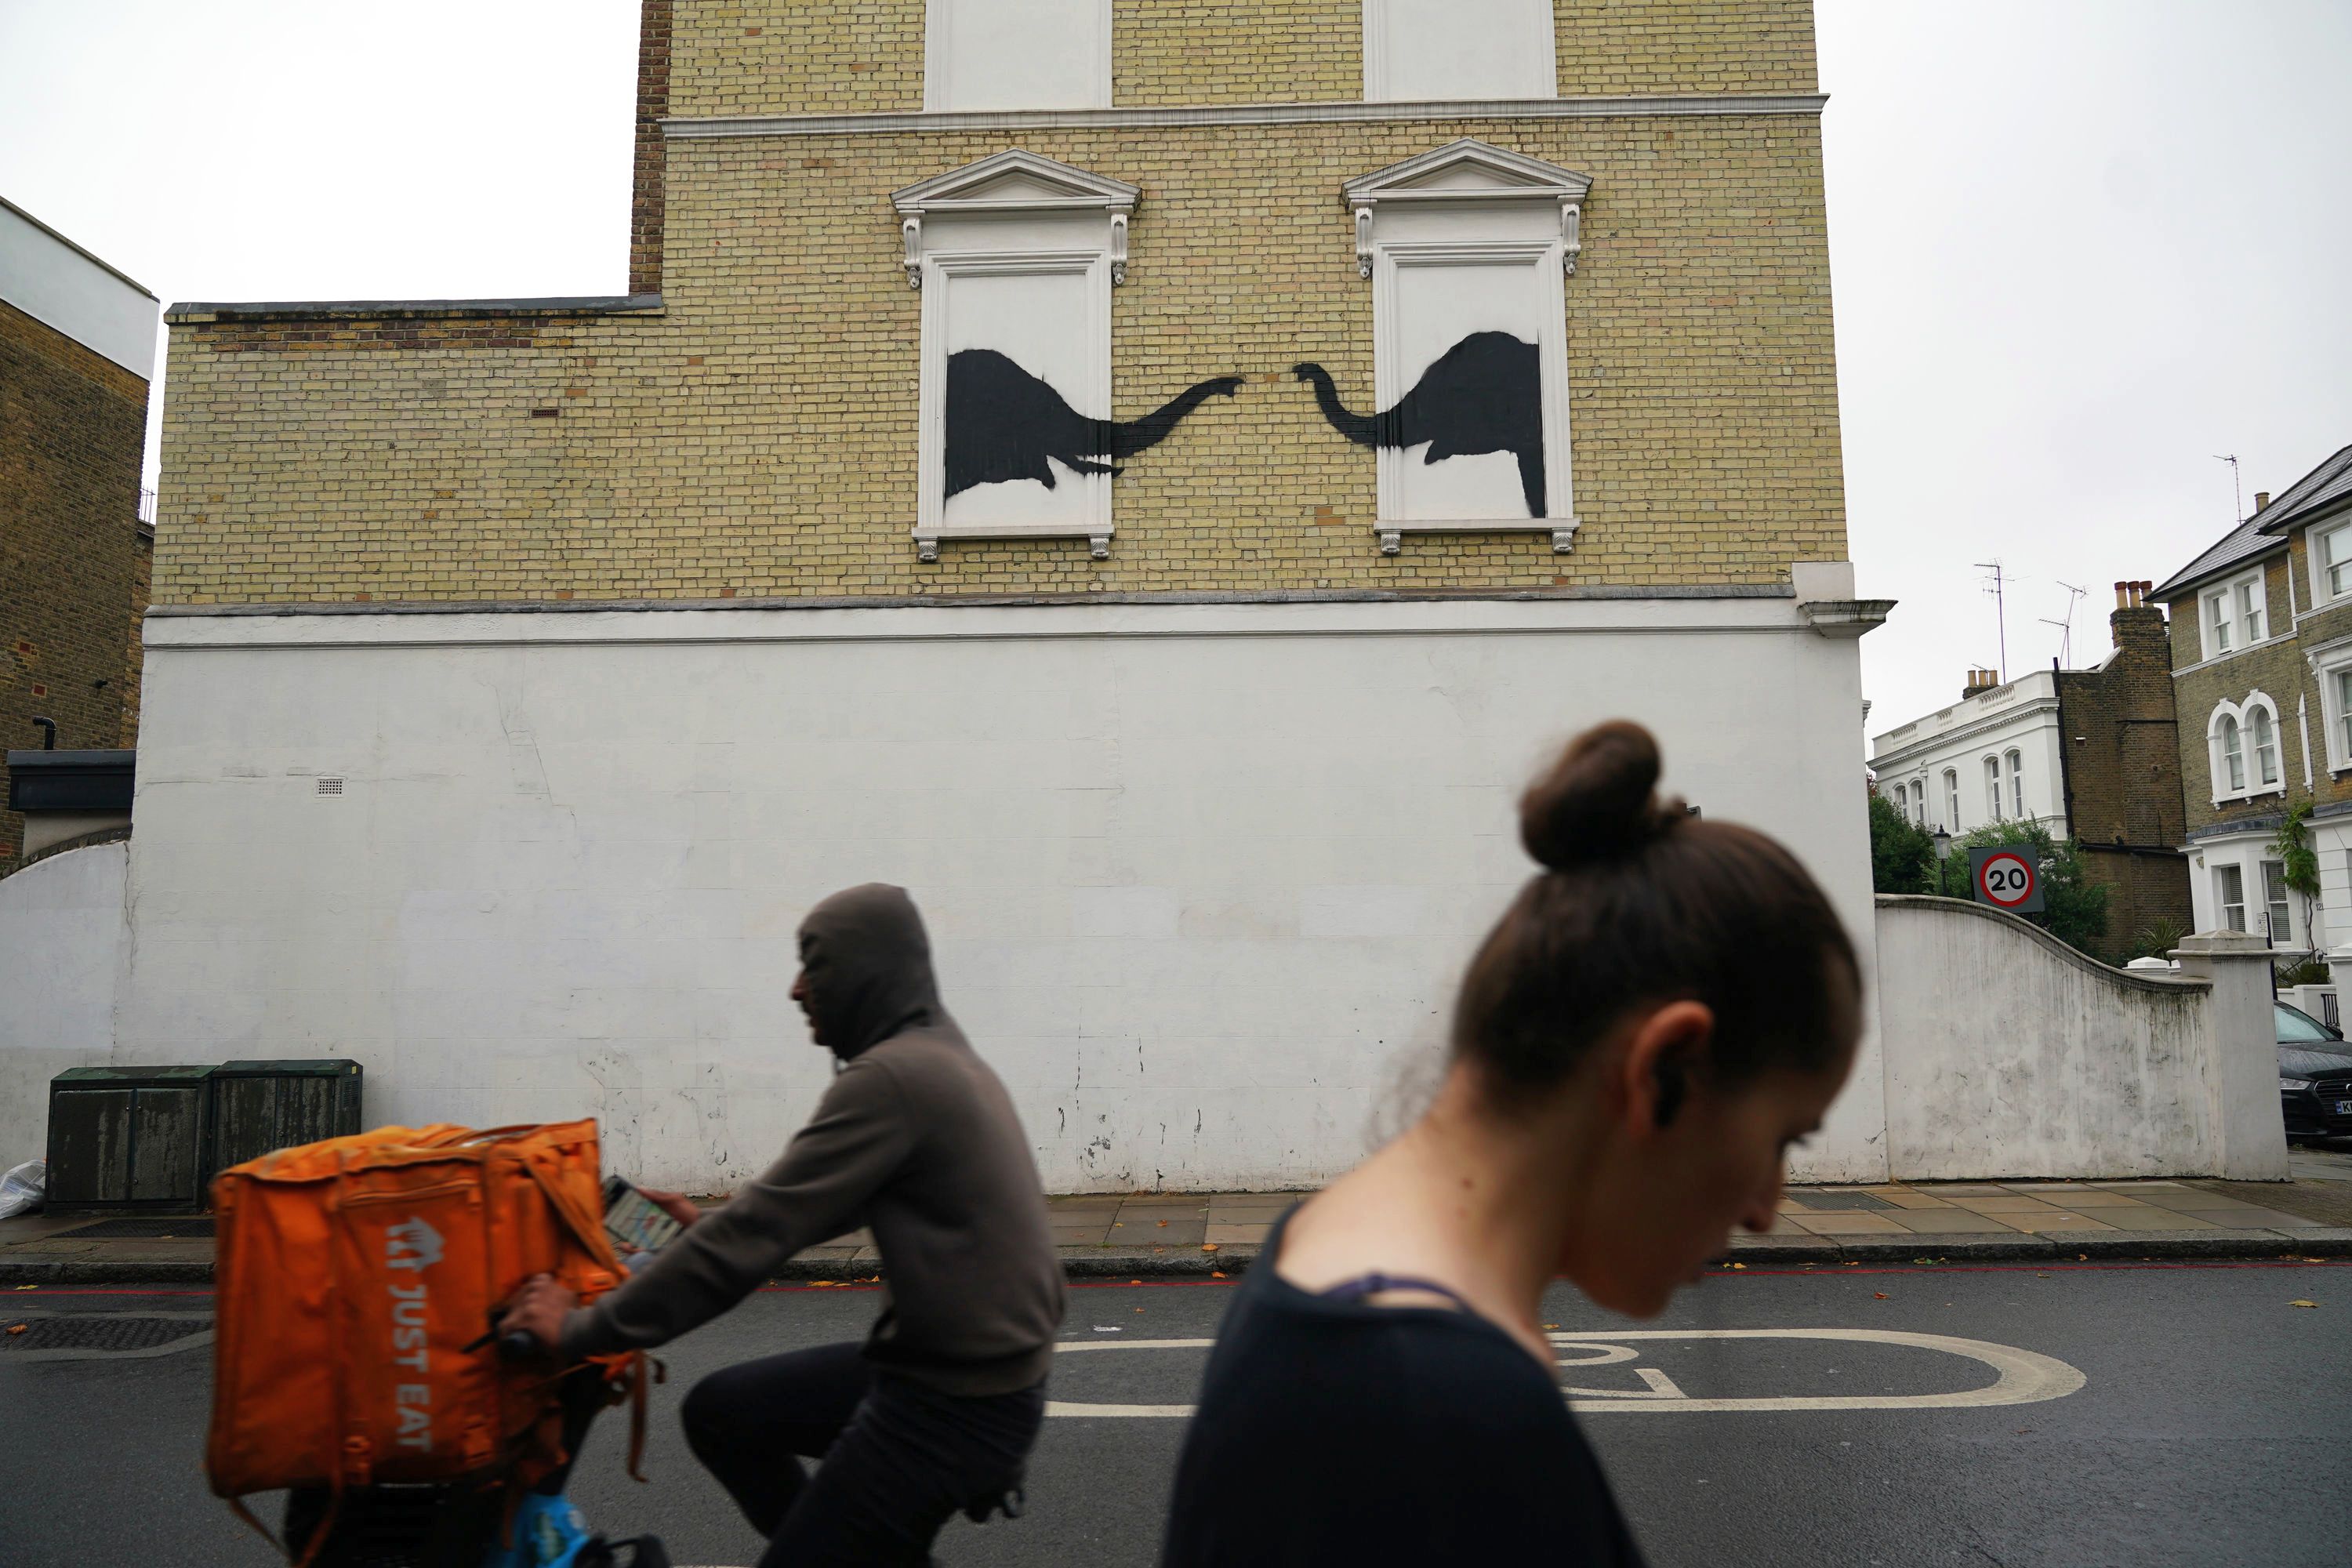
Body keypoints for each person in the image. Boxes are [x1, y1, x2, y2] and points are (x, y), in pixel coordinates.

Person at [1159, 720, 1863, 1566]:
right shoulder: (1445, 1415)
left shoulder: (1324, 1255)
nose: (1766, 1210)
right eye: (1784, 1137)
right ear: (1662, 1070)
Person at [499, 883, 1065, 1567]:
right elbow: (803, 1208)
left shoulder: (894, 1078)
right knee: (723, 1414)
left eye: (814, 966)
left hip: (952, 1406)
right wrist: (705, 1227)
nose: (796, 989)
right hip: (964, 1379)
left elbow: (749, 1241)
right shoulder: (941, 1057)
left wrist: (577, 1331)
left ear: (865, 975)